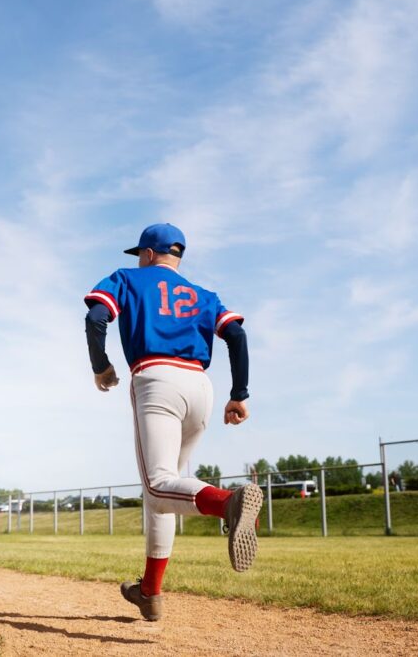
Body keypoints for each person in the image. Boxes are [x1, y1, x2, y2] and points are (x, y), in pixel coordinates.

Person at [84, 222, 262, 622]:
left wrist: (101, 366)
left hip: (156, 378)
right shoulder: (204, 294)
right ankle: (149, 592)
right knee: (162, 492)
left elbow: (97, 318)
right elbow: (236, 335)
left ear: (147, 254)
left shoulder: (129, 278)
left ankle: (228, 504)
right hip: (201, 386)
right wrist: (240, 394)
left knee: (159, 484)